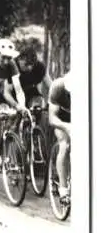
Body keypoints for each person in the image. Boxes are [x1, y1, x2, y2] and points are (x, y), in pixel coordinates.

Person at [48, 71, 71, 203]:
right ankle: (63, 190)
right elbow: (52, 118)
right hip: (61, 119)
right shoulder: (58, 87)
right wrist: (67, 127)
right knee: (64, 145)